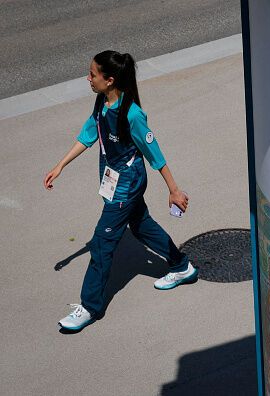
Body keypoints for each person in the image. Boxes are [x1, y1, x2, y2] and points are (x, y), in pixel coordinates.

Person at [44, 50, 198, 331]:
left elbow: (155, 153)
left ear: (110, 79)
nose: (88, 78)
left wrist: (174, 190)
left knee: (102, 244)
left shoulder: (132, 115)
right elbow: (89, 134)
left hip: (127, 184)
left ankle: (90, 306)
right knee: (141, 225)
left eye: (92, 74)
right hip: (115, 179)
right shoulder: (102, 102)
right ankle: (181, 266)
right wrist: (60, 165)